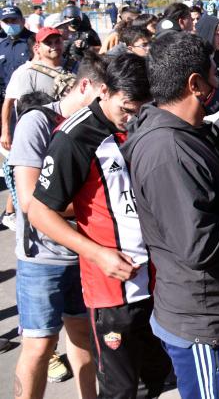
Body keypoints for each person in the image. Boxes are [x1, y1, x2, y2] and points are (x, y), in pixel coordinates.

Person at [28, 53, 172, 399]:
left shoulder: (145, 120)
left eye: (140, 108)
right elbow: (38, 212)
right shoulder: (73, 138)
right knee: (120, 389)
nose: (132, 117)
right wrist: (98, 254)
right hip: (113, 291)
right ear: (103, 91)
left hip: (160, 281)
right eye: (126, 108)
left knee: (156, 379)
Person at [122, 32, 219, 399]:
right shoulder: (168, 150)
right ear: (195, 84)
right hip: (205, 324)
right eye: (215, 72)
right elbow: (201, 245)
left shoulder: (187, 131)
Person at [10, 54, 106, 399]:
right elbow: (29, 201)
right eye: (103, 94)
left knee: (83, 338)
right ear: (85, 86)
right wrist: (96, 209)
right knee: (39, 345)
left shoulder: (99, 125)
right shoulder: (37, 122)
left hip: (84, 255)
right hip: (43, 259)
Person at [1, 27, 70, 151]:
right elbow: (23, 112)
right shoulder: (27, 74)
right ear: (37, 48)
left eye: (57, 41)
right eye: (48, 43)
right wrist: (6, 132)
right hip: (45, 138)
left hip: (72, 134)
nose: (54, 46)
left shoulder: (76, 66)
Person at [0, 6, 34, 101]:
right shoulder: (2, 46)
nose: (10, 24)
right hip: (7, 101)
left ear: (23, 21)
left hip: (31, 99)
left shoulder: (36, 41)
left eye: (14, 20)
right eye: (6, 22)